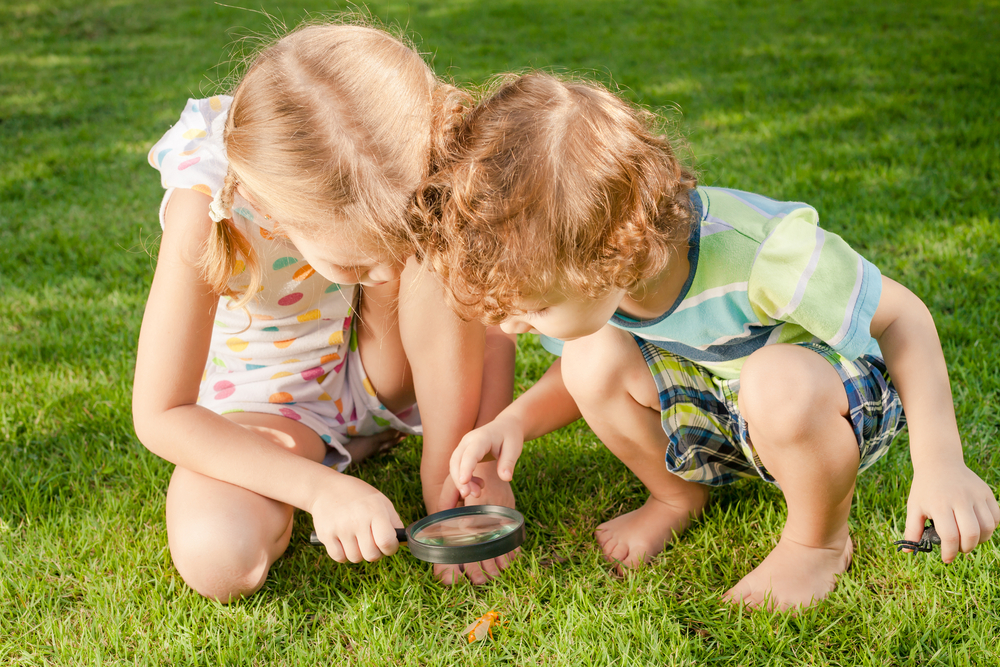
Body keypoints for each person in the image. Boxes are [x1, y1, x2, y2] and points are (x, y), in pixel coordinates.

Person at [410, 72, 1000, 610]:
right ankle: (676, 497)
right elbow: (573, 376)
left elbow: (904, 319)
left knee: (775, 383)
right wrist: (511, 422)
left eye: (534, 307)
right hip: (725, 408)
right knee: (590, 360)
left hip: (828, 408)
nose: (512, 325)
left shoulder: (762, 254)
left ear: (611, 254)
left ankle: (817, 543)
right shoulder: (606, 285)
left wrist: (940, 461)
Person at [132, 21, 517, 602]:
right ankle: (349, 451)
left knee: (435, 265)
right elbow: (161, 413)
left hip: (387, 372)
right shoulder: (207, 208)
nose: (387, 277)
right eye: (359, 265)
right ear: (280, 215)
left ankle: (449, 447)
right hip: (270, 409)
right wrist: (318, 492)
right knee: (220, 557)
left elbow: (441, 304)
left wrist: (449, 471)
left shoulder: (402, 157)